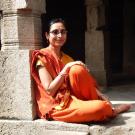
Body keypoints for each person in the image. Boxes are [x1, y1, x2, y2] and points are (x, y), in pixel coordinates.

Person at [31, 18, 131, 123]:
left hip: (70, 98)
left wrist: (101, 95)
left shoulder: (67, 58)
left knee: (77, 70)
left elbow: (82, 82)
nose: (60, 36)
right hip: (55, 106)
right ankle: (113, 111)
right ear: (47, 35)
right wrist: (66, 68)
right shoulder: (42, 57)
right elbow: (49, 91)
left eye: (63, 32)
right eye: (55, 32)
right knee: (101, 108)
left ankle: (102, 106)